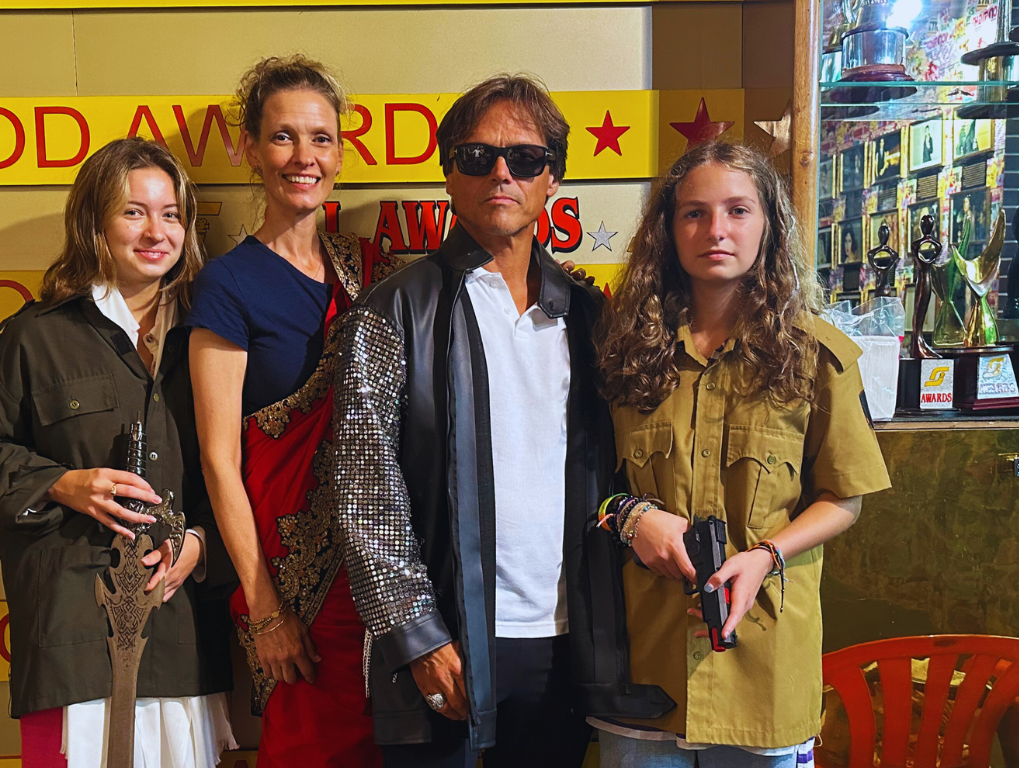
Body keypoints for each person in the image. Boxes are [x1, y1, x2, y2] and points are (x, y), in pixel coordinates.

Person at [331, 73, 673, 768]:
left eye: (525, 158)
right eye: (476, 156)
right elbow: (364, 489)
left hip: (569, 643)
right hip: (446, 642)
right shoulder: (394, 310)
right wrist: (416, 633)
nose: (501, 173)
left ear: (552, 179)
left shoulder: (590, 316)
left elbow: (625, 468)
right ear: (448, 175)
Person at [591, 141, 892, 766]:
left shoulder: (816, 357)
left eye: (738, 210)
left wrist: (765, 556)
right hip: (644, 668)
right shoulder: (623, 353)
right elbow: (583, 483)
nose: (716, 230)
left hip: (764, 664)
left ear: (769, 225)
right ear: (668, 231)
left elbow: (846, 498)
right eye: (694, 213)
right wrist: (627, 515)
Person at [0, 137, 237, 768]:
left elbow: (242, 472)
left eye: (171, 214)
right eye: (133, 211)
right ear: (94, 223)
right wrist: (60, 484)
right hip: (70, 633)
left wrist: (203, 545)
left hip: (182, 628)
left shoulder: (212, 334)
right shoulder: (37, 335)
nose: (156, 231)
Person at [186, 55, 394, 768]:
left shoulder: (367, 270)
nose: (304, 157)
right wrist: (266, 606)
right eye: (283, 137)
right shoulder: (229, 285)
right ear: (249, 148)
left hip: (383, 570)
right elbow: (219, 459)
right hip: (296, 587)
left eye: (321, 138)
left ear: (340, 150)